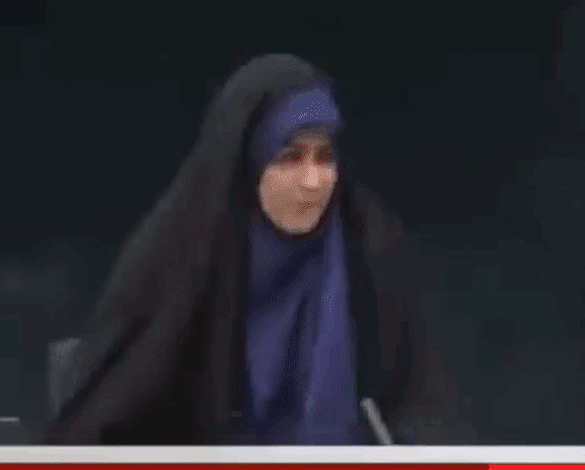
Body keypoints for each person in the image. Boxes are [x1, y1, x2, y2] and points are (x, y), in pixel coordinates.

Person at [44, 54, 434, 445]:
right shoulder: (181, 265)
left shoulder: (369, 252)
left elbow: (417, 412)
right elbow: (105, 422)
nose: (313, 181)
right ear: (246, 163)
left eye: (325, 157)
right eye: (289, 158)